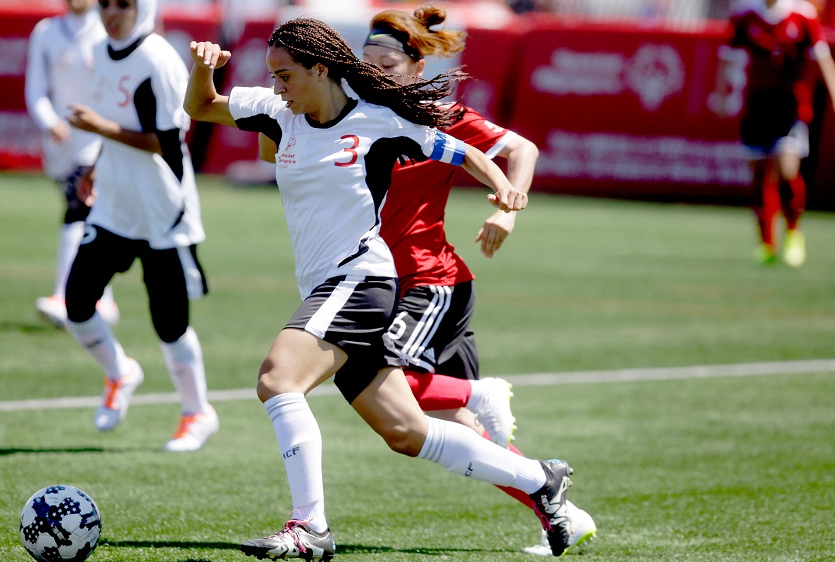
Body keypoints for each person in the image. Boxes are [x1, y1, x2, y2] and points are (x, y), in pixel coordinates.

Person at [186, 18, 584, 559]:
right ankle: (539, 477)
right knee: (406, 432)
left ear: (319, 69)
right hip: (331, 284)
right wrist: (201, 69)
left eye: (285, 75)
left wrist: (504, 192)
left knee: (278, 379)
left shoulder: (377, 120)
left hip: (361, 279)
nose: (276, 86)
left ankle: (309, 528)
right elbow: (201, 108)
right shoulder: (279, 113)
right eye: (273, 76)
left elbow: (461, 150)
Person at [62, 0, 218, 452]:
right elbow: (117, 125)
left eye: (125, 4)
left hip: (161, 211)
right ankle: (120, 371)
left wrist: (101, 129)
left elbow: (169, 144)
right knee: (76, 302)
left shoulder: (158, 58)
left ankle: (197, 412)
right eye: (106, 3)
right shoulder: (101, 49)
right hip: (114, 203)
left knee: (169, 324)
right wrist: (95, 162)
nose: (113, 13)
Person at [712, 0, 835, 267]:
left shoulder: (802, 15)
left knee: (787, 169)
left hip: (790, 110)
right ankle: (767, 243)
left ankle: (793, 231)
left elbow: (822, 56)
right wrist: (721, 94)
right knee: (759, 176)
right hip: (756, 110)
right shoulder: (745, 14)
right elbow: (727, 55)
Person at [24, 0, 119, 329]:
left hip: (98, 138)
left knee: (80, 207)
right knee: (92, 213)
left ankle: (63, 295)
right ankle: (102, 297)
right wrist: (50, 121)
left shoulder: (107, 30)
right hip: (61, 143)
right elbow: (35, 89)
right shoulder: (46, 32)